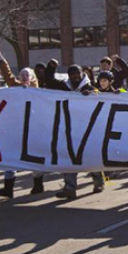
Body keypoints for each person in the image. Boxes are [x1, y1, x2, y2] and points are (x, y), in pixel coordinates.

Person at [45, 60, 101, 199]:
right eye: (72, 74)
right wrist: (51, 68)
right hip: (68, 128)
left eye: (77, 73)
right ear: (69, 76)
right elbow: (49, 81)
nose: (75, 76)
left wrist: (91, 96)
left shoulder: (89, 87)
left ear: (82, 74)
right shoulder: (64, 87)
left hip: (86, 129)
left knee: (89, 157)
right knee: (69, 158)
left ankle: (98, 181)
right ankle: (70, 188)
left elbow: (99, 98)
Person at [0, 46, 44, 197]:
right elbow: (7, 75)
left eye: (27, 75)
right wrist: (0, 56)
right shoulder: (15, 87)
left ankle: (38, 184)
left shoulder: (38, 93)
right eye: (21, 75)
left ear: (32, 78)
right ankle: (8, 188)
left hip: (32, 131)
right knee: (11, 156)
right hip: (16, 129)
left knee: (33, 158)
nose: (23, 77)